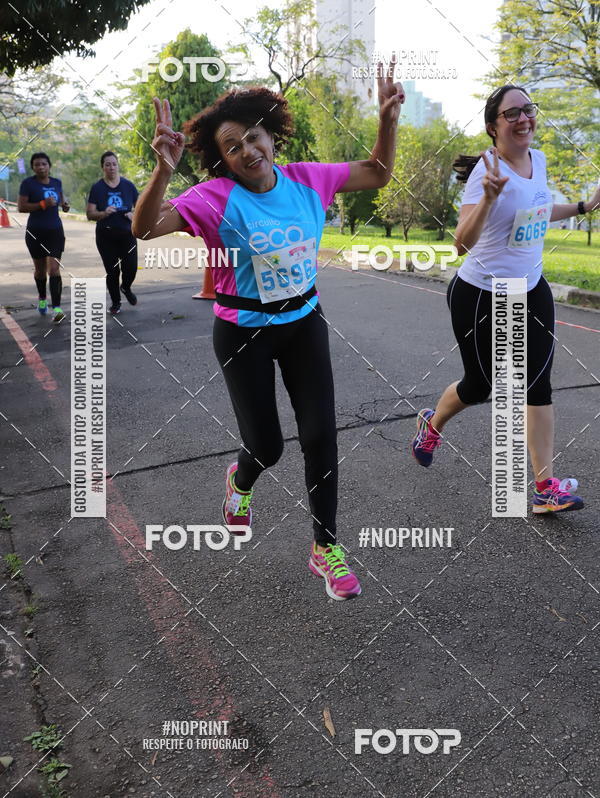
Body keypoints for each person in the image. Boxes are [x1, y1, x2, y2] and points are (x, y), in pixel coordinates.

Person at [133, 71, 405, 600]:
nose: (247, 150)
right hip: (243, 333)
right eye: (231, 147)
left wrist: (386, 121)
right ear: (223, 159)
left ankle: (324, 545)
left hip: (304, 323)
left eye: (253, 136)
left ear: (271, 135)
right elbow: (144, 228)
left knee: (321, 434)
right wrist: (164, 170)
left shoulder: (308, 178)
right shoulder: (213, 197)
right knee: (268, 446)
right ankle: (240, 481)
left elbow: (378, 173)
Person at [411, 84, 600, 514]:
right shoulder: (486, 170)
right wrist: (490, 198)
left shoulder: (540, 160)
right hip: (479, 294)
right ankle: (432, 423)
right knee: (480, 386)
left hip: (532, 289)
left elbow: (537, 209)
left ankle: (544, 487)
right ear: (493, 127)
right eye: (511, 114)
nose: (523, 119)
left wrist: (584, 206)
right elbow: (460, 243)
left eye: (527, 110)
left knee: (538, 383)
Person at [17, 152, 69, 323]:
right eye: (37, 164)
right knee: (40, 271)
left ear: (49, 166)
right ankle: (42, 298)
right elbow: (21, 207)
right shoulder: (28, 184)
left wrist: (65, 205)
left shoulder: (56, 183)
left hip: (55, 231)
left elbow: (62, 202)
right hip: (35, 232)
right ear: (33, 167)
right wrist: (41, 204)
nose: (41, 167)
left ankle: (57, 308)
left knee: (54, 269)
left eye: (44, 164)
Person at [87, 151, 139, 315]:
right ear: (103, 167)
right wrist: (103, 213)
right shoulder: (97, 188)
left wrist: (134, 215)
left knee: (130, 268)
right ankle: (116, 303)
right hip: (105, 236)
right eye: (107, 164)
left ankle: (126, 287)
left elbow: (141, 207)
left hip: (127, 234)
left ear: (118, 165)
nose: (111, 167)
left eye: (114, 164)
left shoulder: (128, 185)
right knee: (112, 271)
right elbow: (89, 214)